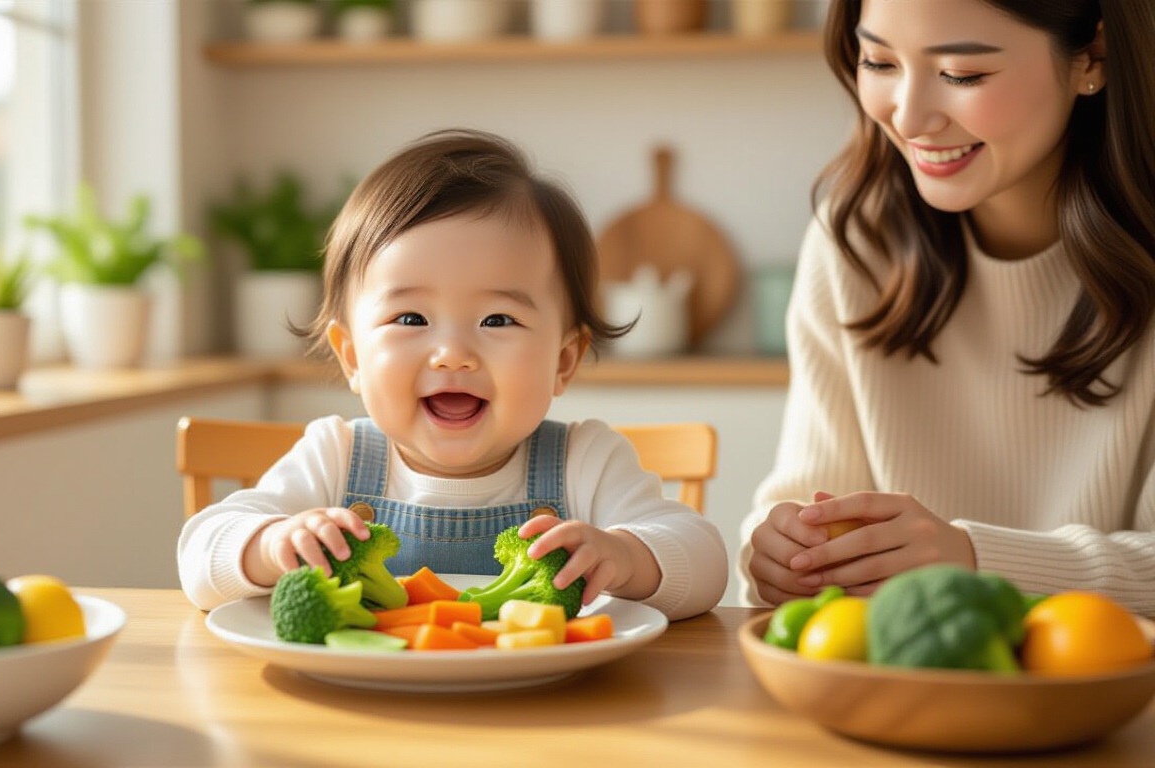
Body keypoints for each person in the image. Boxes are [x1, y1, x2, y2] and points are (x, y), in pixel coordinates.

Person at [180, 129, 728, 621]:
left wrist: (626, 556)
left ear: (564, 360)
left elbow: (703, 560)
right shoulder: (335, 456)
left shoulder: (585, 461)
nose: (452, 355)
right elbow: (200, 554)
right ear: (351, 357)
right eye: (411, 318)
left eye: (498, 319)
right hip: (363, 708)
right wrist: (272, 544)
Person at [740, 0, 1155, 615]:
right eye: (879, 61)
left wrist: (974, 561)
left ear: (1092, 56)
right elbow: (804, 503)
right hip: (901, 698)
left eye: (962, 74)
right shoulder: (855, 242)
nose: (908, 116)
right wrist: (779, 553)